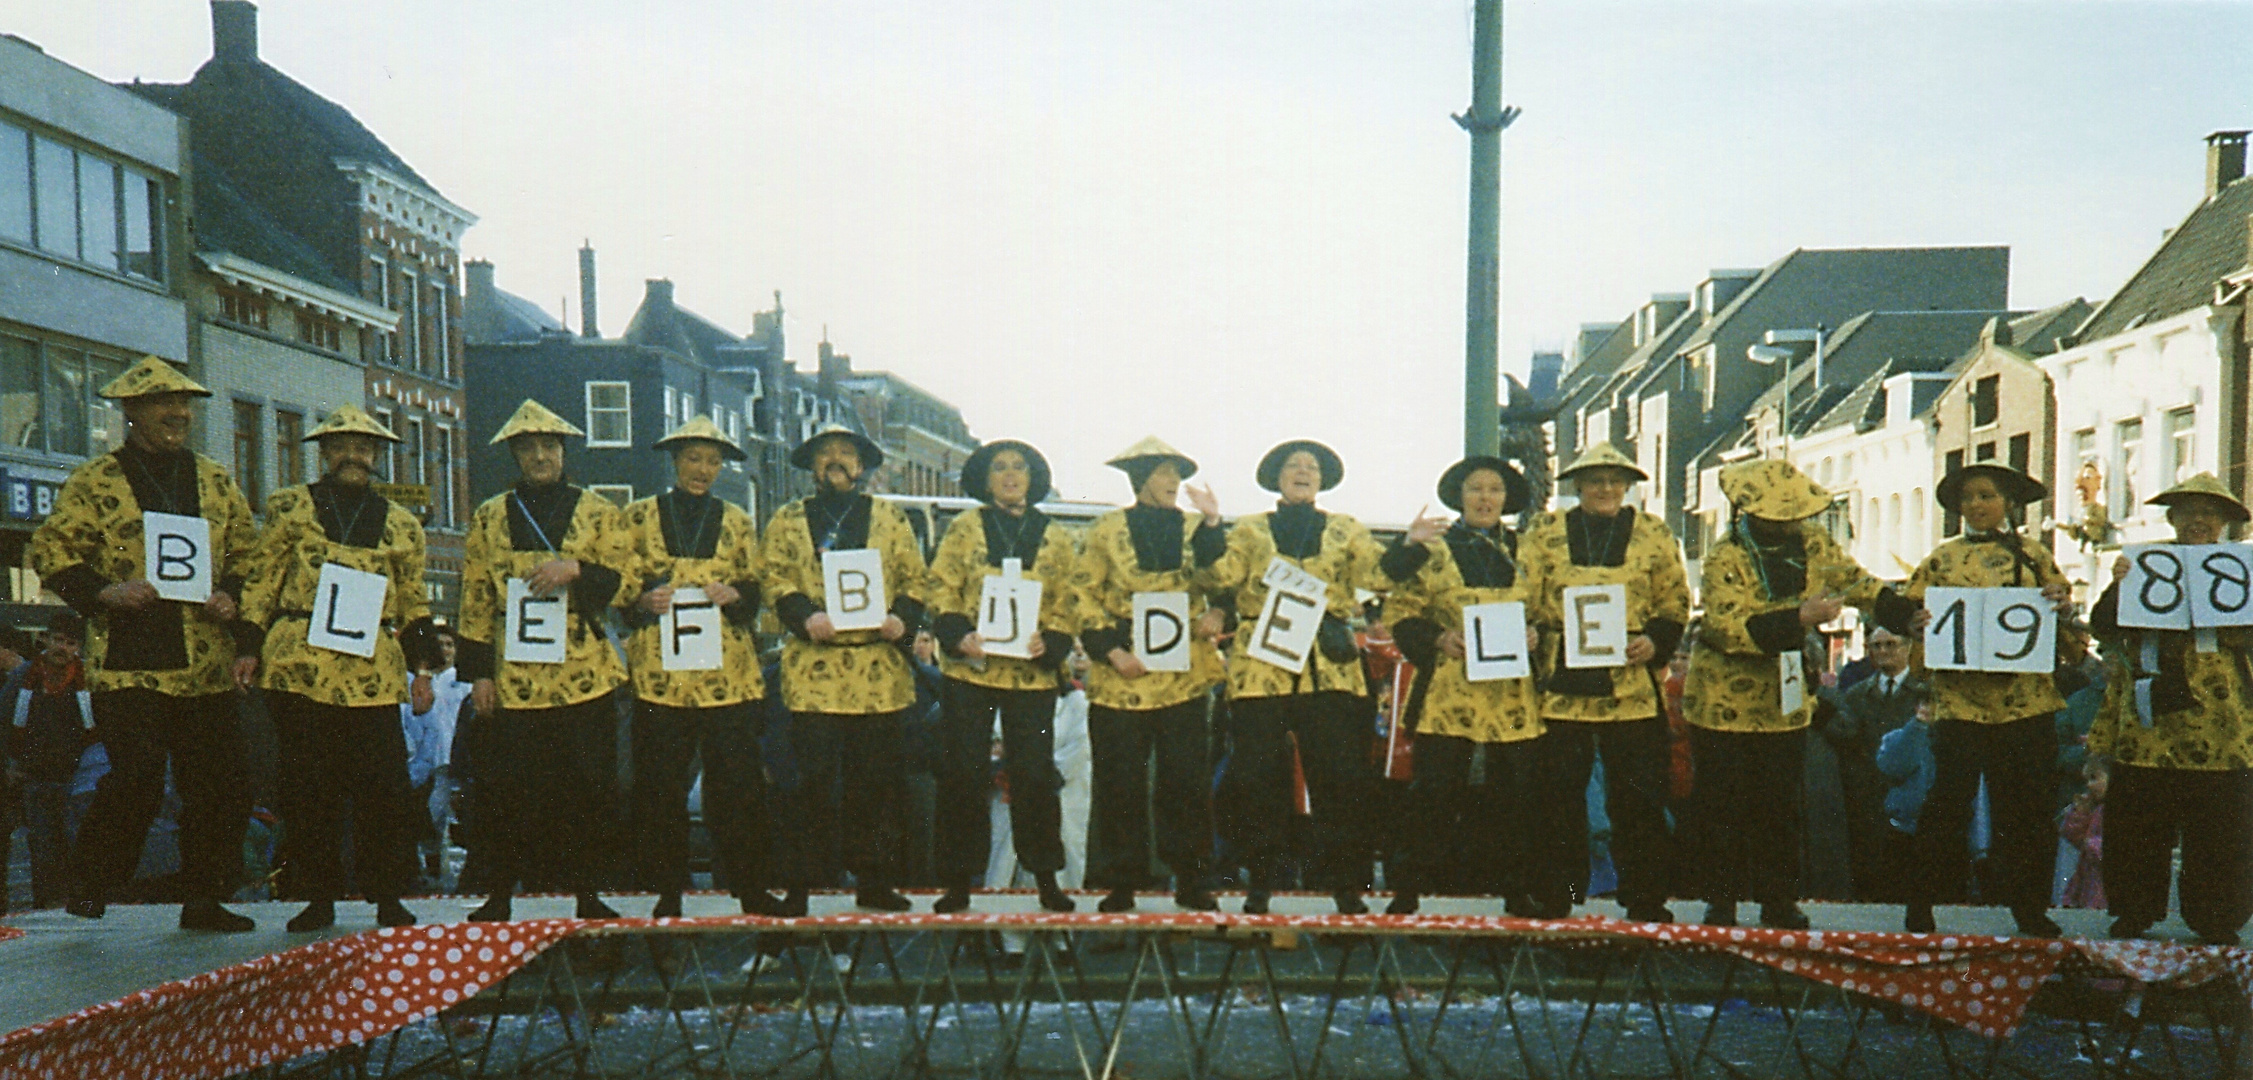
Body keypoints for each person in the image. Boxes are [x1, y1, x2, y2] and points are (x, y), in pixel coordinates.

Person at [29, 356, 261, 931]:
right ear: (133, 412)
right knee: (136, 777)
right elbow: (51, 552)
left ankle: (205, 897)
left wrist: (231, 595)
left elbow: (249, 556)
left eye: (184, 404)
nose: (178, 414)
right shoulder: (95, 480)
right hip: (130, 662)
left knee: (218, 785)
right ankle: (89, 880)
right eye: (164, 404)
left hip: (204, 661)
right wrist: (106, 591)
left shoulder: (214, 479)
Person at [1684, 458, 1917, 930]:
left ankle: (1778, 901)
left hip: (1783, 700)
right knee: (1721, 805)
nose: (1788, 523)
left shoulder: (1813, 544)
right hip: (1722, 701)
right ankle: (1722, 902)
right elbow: (1728, 627)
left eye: (1793, 515)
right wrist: (1799, 618)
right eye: (1777, 516)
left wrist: (1903, 611)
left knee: (1779, 805)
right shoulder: (1725, 556)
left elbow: (1856, 582)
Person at [237, 406, 435, 931]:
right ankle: (316, 896)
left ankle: (389, 895)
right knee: (308, 788)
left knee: (385, 788)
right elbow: (261, 582)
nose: (354, 456)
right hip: (300, 666)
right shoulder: (289, 507)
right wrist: (248, 647)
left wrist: (423, 671)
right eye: (343, 446)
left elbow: (413, 601)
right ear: (325, 452)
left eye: (365, 448)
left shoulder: (401, 524)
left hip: (370, 669)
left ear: (376, 457)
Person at [457, 400, 635, 922]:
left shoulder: (600, 511)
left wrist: (576, 568)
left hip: (583, 675)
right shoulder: (490, 515)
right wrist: (480, 673)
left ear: (563, 452)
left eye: (549, 446)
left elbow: (625, 582)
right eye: (529, 447)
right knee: (506, 791)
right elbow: (474, 598)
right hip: (514, 680)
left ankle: (588, 893)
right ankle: (499, 894)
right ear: (515, 454)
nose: (540, 456)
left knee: (587, 788)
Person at [1199, 439, 1389, 914]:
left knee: (1339, 777)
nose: (1303, 471)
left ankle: (1344, 883)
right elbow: (1220, 574)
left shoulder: (1347, 530)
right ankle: (1262, 878)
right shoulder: (1248, 530)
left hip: (1329, 668)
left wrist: (1411, 547)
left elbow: (1378, 573)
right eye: (1293, 465)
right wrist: (1209, 526)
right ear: (1277, 478)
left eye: (1312, 466)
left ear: (1322, 479)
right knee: (1257, 777)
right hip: (1262, 667)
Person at [618, 417, 788, 918]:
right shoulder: (637, 516)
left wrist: (736, 594)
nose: (703, 469)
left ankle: (750, 888)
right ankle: (667, 891)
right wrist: (642, 601)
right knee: (661, 786)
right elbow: (621, 588)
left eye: (713, 461)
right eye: (694, 459)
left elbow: (755, 588)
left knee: (737, 786)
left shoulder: (736, 519)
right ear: (675, 461)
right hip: (660, 678)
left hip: (725, 678)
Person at [1518, 442, 1690, 922]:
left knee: (1638, 794)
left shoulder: (1654, 532)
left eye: (1616, 480)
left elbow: (1675, 601)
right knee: (1556, 796)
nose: (1606, 488)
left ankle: (1645, 895)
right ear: (1578, 485)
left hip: (1630, 685)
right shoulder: (1545, 532)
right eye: (1595, 480)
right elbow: (1524, 591)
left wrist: (1656, 641)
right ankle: (1556, 893)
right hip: (1561, 684)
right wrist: (1527, 627)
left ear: (1628, 485)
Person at [761, 423, 928, 913]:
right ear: (812, 465)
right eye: (825, 453)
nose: (835, 460)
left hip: (878, 673)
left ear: (860, 466)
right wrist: (803, 616)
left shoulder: (890, 518)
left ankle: (874, 882)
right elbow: (772, 574)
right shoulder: (788, 519)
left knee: (876, 785)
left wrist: (903, 617)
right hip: (815, 672)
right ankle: (800, 885)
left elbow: (916, 576)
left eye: (845, 453)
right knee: (807, 783)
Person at [1903, 462, 2074, 937]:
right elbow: (1912, 610)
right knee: (1947, 804)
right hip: (1961, 703)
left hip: (2025, 702)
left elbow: (2064, 621)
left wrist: (2062, 604)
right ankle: (1921, 903)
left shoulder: (2034, 554)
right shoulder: (1940, 559)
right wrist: (1915, 624)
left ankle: (2028, 908)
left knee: (2026, 809)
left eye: (1986, 496)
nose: (1976, 505)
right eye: (1968, 498)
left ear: (2008, 504)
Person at [2086, 472, 2253, 944]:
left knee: (2221, 827)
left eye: (2210, 512)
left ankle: (2217, 917)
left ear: (2224, 522)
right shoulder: (2143, 567)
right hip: (2151, 721)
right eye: (2189, 511)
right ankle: (2134, 911)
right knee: (2139, 820)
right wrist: (2118, 585)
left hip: (2224, 723)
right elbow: (2104, 626)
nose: (2199, 519)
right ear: (2172, 518)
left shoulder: (2244, 572)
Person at [1378, 456, 1547, 915]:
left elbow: (1547, 612)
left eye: (1495, 489)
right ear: (1460, 495)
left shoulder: (1529, 550)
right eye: (1476, 488)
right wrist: (1437, 637)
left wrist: (1537, 634)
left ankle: (1515, 890)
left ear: (1507, 498)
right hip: (1449, 689)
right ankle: (1409, 889)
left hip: (1511, 693)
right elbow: (1400, 614)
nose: (1486, 498)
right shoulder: (1434, 549)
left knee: (1512, 796)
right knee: (1434, 791)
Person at [1072, 437, 1228, 913]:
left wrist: (1220, 610)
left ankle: (1191, 877)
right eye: (1164, 474)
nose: (1173, 484)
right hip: (1123, 674)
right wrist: (1111, 651)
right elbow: (1081, 593)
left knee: (1185, 779)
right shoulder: (1104, 530)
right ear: (1142, 479)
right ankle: (1121, 880)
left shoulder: (1196, 529)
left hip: (1182, 675)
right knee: (1121, 780)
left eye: (1177, 476)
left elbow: (1222, 577)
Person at [926, 440, 1082, 913]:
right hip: (971, 673)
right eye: (999, 468)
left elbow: (1069, 596)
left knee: (1034, 774)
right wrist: (957, 633)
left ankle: (1046, 878)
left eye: (1019, 467)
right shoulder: (962, 528)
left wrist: (1052, 641)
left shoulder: (1055, 535)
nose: (1011, 475)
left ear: (1033, 478)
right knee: (963, 773)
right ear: (986, 479)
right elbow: (941, 586)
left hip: (1030, 679)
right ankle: (958, 881)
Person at [1826, 628, 1927, 900]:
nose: (1883, 651)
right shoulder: (1857, 694)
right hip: (1867, 797)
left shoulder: (1925, 695)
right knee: (1869, 874)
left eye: (1890, 644)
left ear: (1908, 647)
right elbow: (1843, 735)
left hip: (1911, 798)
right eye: (1876, 646)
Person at [6, 615, 88, 911]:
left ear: (78, 648)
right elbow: (3, 722)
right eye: (57, 640)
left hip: (77, 775)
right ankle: (47, 904)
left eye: (70, 643)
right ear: (44, 639)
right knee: (42, 844)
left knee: (76, 841)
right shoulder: (22, 677)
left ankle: (76, 901)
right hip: (34, 775)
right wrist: (10, 765)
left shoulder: (87, 680)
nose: (62, 648)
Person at [2057, 759, 2106, 910]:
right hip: (2088, 883)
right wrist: (2080, 813)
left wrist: (2090, 845)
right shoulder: (2096, 809)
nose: (2089, 785)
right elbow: (2073, 836)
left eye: (2094, 778)